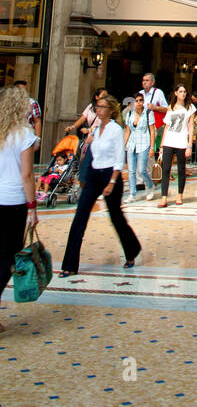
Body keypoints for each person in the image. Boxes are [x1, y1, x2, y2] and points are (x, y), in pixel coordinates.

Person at [60, 93, 141, 277]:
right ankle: (70, 265)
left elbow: (119, 158)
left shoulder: (115, 129)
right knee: (80, 217)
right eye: (97, 106)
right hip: (94, 176)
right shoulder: (96, 130)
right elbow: (91, 155)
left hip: (110, 175)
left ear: (111, 110)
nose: (98, 109)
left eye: (102, 107)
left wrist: (112, 182)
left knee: (116, 217)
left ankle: (132, 250)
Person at [0, 86, 38, 330]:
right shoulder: (24, 133)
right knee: (9, 258)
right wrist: (33, 207)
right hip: (13, 202)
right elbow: (27, 175)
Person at [157, 85, 194, 207]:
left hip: (181, 141)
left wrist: (189, 145)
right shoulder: (171, 108)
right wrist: (161, 145)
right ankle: (164, 197)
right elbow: (166, 126)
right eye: (180, 91)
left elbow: (191, 127)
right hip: (169, 141)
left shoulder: (189, 108)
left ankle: (179, 196)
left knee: (181, 169)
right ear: (176, 93)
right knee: (166, 169)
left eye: (184, 91)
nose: (183, 94)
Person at [122, 92, 155, 203]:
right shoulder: (130, 113)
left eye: (140, 100)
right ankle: (132, 193)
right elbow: (128, 130)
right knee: (131, 171)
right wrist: (123, 145)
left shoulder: (148, 113)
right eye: (136, 100)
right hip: (131, 144)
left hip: (144, 143)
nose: (139, 102)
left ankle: (150, 186)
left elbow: (152, 130)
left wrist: (151, 147)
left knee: (141, 170)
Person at [13, 81, 41, 150]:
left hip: (27, 138)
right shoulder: (10, 103)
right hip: (12, 137)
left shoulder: (32, 103)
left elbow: (37, 121)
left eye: (25, 90)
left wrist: (37, 140)